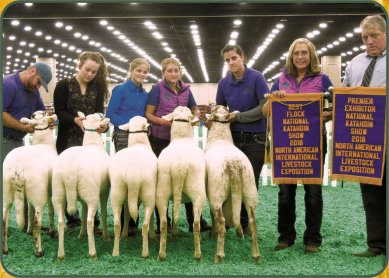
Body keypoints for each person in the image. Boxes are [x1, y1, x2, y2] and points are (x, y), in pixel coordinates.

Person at [262, 38, 333, 254]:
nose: (300, 57)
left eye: (304, 52)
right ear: (291, 56)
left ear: (311, 55)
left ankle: (312, 240)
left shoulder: (323, 79)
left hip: (313, 142)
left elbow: (338, 108)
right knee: (285, 193)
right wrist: (273, 98)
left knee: (313, 192)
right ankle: (285, 237)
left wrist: (327, 114)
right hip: (286, 143)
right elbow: (266, 111)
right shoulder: (281, 79)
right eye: (296, 53)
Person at [145, 57, 211, 234]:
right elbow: (148, 114)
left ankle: (194, 222)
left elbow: (195, 108)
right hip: (161, 139)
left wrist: (194, 115)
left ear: (180, 72)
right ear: (164, 73)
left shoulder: (186, 90)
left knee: (190, 177)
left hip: (184, 140)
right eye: (170, 70)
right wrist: (165, 122)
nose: (173, 73)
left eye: (176, 70)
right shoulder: (157, 89)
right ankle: (162, 224)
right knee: (163, 182)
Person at [342, 15, 386, 257]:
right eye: (365, 37)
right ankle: (377, 244)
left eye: (374, 36)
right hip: (364, 140)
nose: (369, 41)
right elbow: (345, 91)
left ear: (385, 34)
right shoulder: (355, 63)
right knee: (371, 195)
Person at [53, 51, 110, 233]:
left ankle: (93, 221)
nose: (90, 74)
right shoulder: (63, 85)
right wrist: (75, 120)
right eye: (87, 70)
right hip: (67, 138)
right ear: (79, 66)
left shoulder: (98, 88)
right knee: (69, 177)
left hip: (90, 141)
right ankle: (72, 220)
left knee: (92, 178)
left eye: (94, 72)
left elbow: (100, 113)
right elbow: (59, 112)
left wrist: (104, 127)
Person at [215, 44, 269, 235]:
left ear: (242, 57)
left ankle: (245, 224)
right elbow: (220, 109)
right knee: (227, 181)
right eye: (227, 60)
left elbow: (265, 106)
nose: (231, 63)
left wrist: (240, 117)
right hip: (233, 139)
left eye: (234, 58)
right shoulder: (223, 83)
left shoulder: (256, 78)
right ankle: (228, 221)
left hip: (256, 138)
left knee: (250, 182)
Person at [3, 62, 54, 231]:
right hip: (4, 139)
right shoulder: (7, 84)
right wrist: (24, 127)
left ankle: (26, 224)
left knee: (21, 181)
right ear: (32, 71)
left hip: (18, 141)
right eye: (39, 82)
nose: (38, 86)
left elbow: (42, 112)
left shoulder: (33, 92)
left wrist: (49, 121)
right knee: (5, 183)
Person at [106, 57, 150, 236]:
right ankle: (125, 222)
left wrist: (146, 127)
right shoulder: (120, 90)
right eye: (139, 70)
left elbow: (145, 116)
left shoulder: (145, 94)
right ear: (131, 70)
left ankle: (134, 222)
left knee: (140, 177)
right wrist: (130, 125)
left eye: (145, 72)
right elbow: (111, 114)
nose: (142, 74)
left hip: (141, 137)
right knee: (127, 178)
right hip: (124, 136)